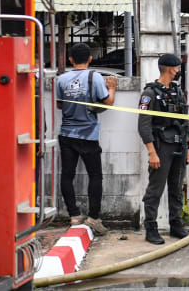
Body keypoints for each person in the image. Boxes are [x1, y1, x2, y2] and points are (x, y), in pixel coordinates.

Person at [56, 43, 117, 235]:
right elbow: (107, 101)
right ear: (90, 59)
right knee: (95, 176)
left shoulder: (61, 79)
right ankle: (94, 217)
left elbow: (59, 105)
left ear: (71, 60)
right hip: (88, 134)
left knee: (67, 174)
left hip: (66, 134)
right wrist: (112, 88)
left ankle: (74, 215)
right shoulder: (95, 77)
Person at [137, 54, 189, 245]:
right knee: (155, 190)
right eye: (177, 68)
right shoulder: (149, 94)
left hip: (178, 145)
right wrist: (152, 152)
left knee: (177, 188)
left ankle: (176, 224)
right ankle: (151, 228)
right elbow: (143, 125)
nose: (179, 71)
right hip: (161, 148)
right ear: (171, 69)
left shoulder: (177, 91)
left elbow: (185, 120)